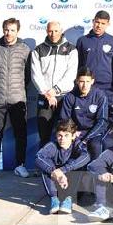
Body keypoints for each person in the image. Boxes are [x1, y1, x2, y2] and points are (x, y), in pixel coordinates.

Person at [0, 18, 32, 181]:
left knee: (20, 133)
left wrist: (16, 87)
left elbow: (28, 75)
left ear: (17, 31)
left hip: (17, 99)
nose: (8, 33)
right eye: (6, 29)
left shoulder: (25, 50)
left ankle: (20, 165)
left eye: (12, 30)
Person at [29, 21, 78, 159]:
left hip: (64, 98)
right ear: (46, 31)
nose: (53, 34)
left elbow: (70, 75)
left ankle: (64, 165)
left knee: (65, 136)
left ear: (61, 31)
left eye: (56, 31)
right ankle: (43, 166)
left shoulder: (71, 49)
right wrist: (47, 93)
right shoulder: (38, 50)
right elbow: (35, 75)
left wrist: (54, 91)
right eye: (50, 31)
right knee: (44, 135)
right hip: (45, 99)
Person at [34, 119, 91, 215]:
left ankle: (68, 199)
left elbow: (86, 156)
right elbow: (38, 157)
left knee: (77, 163)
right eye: (59, 135)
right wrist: (54, 172)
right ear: (56, 136)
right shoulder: (53, 145)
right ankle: (54, 199)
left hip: (74, 188)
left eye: (66, 135)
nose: (62, 139)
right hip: (57, 185)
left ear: (73, 136)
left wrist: (62, 170)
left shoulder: (77, 145)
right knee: (46, 166)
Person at [58, 67, 110, 158]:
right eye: (82, 82)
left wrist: (87, 137)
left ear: (92, 81)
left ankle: (94, 171)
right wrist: (72, 132)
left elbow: (102, 121)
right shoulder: (70, 97)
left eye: (87, 82)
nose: (84, 85)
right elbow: (65, 119)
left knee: (96, 145)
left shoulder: (100, 96)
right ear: (77, 81)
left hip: (94, 133)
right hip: (76, 132)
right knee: (68, 144)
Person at [76, 10, 113, 90]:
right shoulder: (82, 41)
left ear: (108, 24)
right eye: (97, 22)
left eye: (103, 23)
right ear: (93, 21)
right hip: (87, 85)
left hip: (107, 85)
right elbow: (78, 64)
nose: (99, 26)